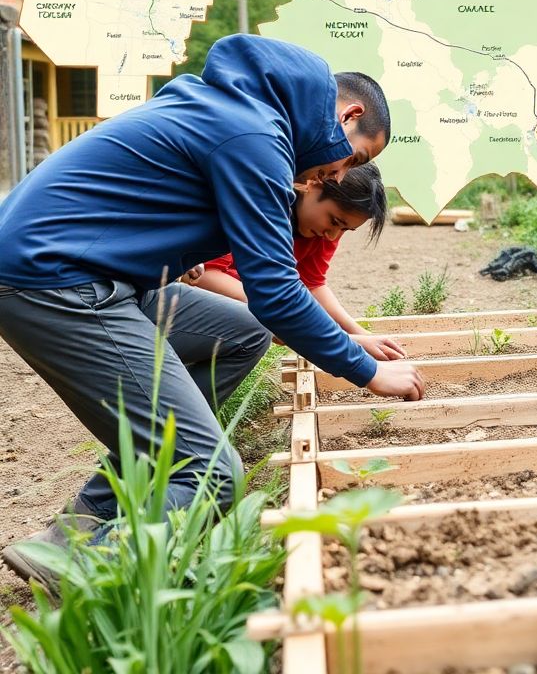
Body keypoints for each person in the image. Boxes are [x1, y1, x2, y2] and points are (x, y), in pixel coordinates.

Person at [0, 34, 424, 589]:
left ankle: (79, 529)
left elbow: (269, 301)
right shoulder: (254, 138)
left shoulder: (241, 115)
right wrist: (365, 371)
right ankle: (90, 576)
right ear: (349, 115)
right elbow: (276, 290)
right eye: (356, 157)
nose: (343, 174)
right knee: (213, 472)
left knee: (242, 334)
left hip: (107, 276)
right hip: (57, 279)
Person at [190, 163, 405, 361]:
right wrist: (288, 313)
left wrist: (358, 332)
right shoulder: (262, 206)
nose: (332, 235)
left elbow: (312, 283)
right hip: (191, 301)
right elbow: (205, 275)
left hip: (244, 304)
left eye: (344, 229)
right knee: (262, 326)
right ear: (313, 184)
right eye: (335, 221)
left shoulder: (324, 231)